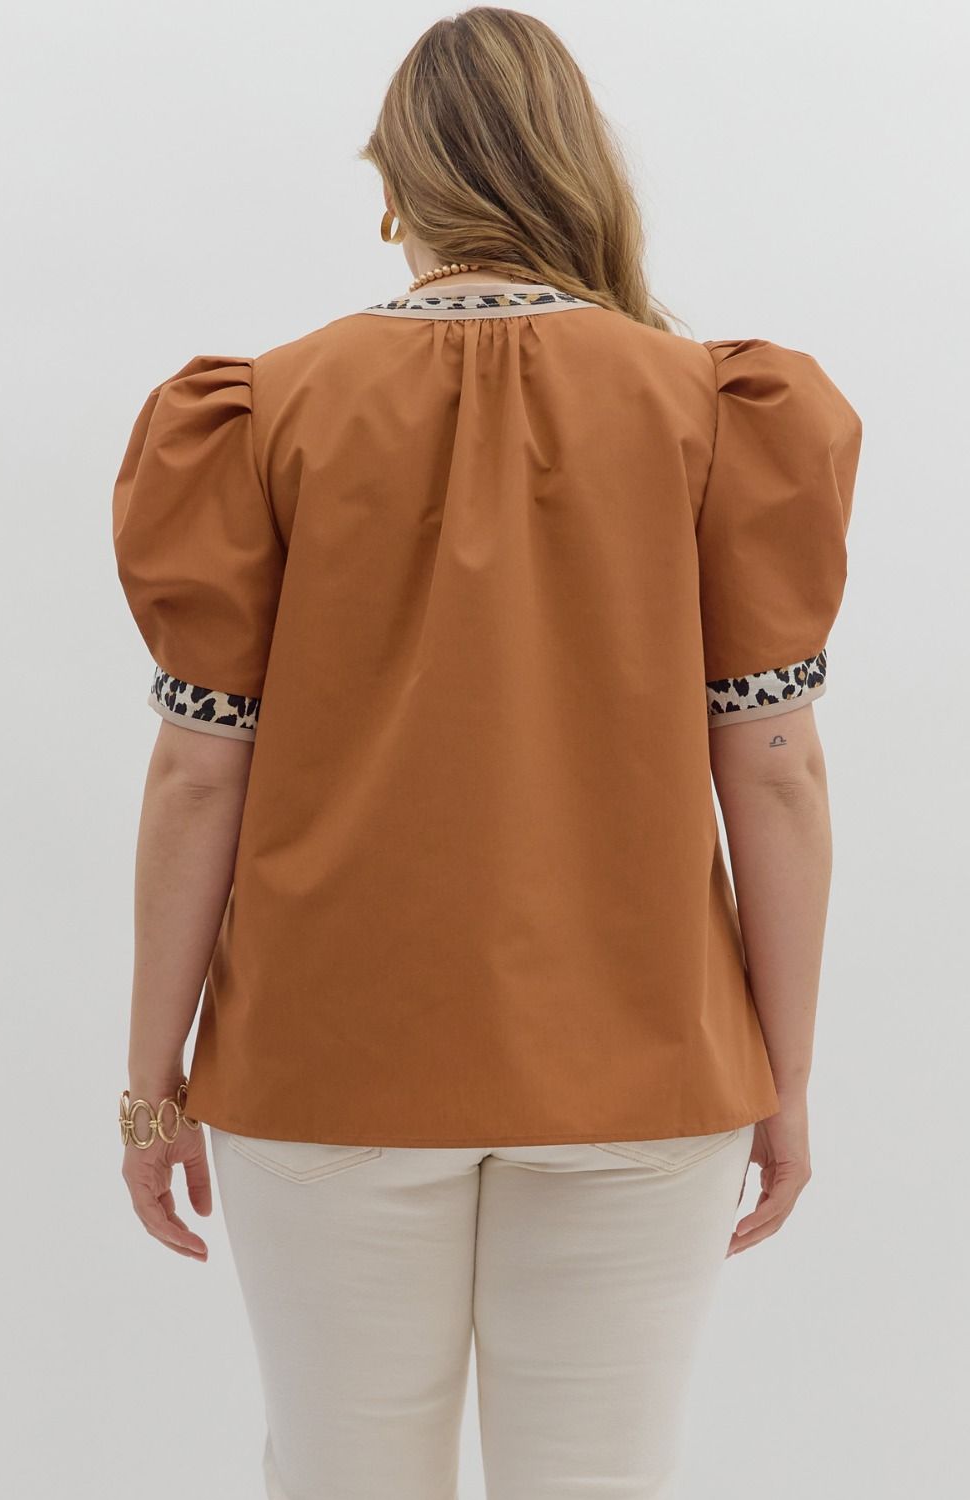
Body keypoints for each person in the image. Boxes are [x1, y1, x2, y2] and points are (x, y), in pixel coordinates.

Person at [111, 8, 863, 1498]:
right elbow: (773, 766)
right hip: (646, 1059)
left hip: (322, 1060)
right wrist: (783, 1074)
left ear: (398, 185)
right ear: (578, 167)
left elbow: (201, 770)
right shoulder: (715, 411)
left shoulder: (259, 415)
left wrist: (153, 1088)